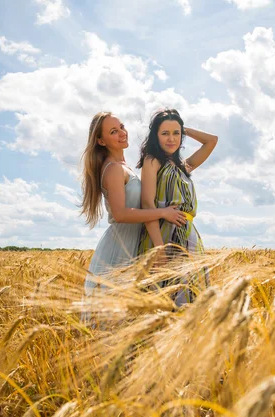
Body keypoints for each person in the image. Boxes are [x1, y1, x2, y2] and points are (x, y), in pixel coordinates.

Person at [80, 112, 187, 295]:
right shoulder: (113, 169)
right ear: (101, 141)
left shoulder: (123, 166)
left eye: (121, 126)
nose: (122, 133)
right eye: (114, 131)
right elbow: (120, 214)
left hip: (134, 245)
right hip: (120, 248)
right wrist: (162, 213)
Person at [137, 108, 218, 306]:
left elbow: (212, 141)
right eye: (165, 133)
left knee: (192, 300)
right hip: (163, 236)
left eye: (176, 133)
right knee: (162, 299)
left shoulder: (184, 165)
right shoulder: (152, 161)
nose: (171, 139)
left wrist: (183, 128)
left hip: (189, 239)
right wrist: (159, 248)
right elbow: (147, 204)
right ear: (156, 136)